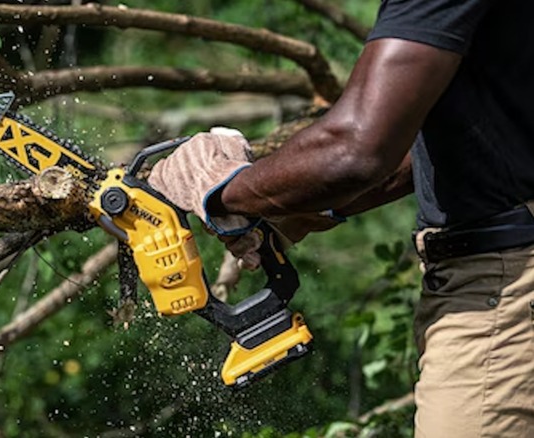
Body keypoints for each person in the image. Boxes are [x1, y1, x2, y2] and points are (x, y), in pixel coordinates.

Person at [146, 1, 534, 437]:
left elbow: (356, 148)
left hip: (505, 287)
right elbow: (462, 135)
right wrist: (302, 208)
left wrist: (219, 187)